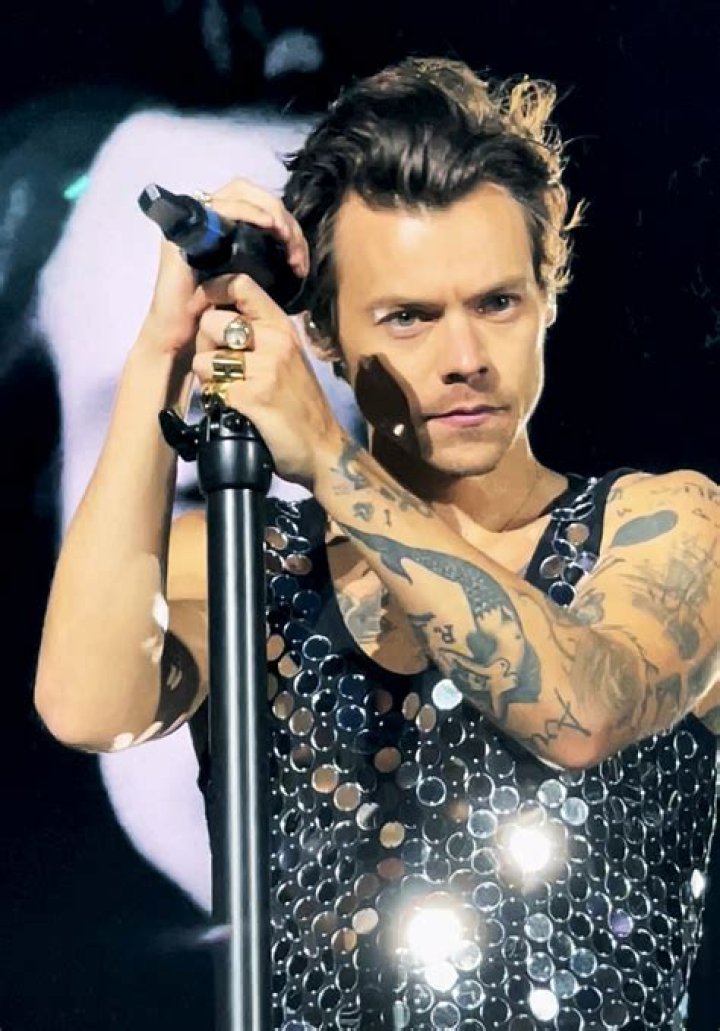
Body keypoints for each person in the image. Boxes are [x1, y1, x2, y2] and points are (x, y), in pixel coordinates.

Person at [35, 57, 719, 1030]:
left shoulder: (667, 525)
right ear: (324, 335)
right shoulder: (247, 563)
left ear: (549, 295)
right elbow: (84, 706)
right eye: (409, 317)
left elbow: (582, 714)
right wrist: (162, 349)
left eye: (497, 303)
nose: (465, 358)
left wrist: (327, 456)